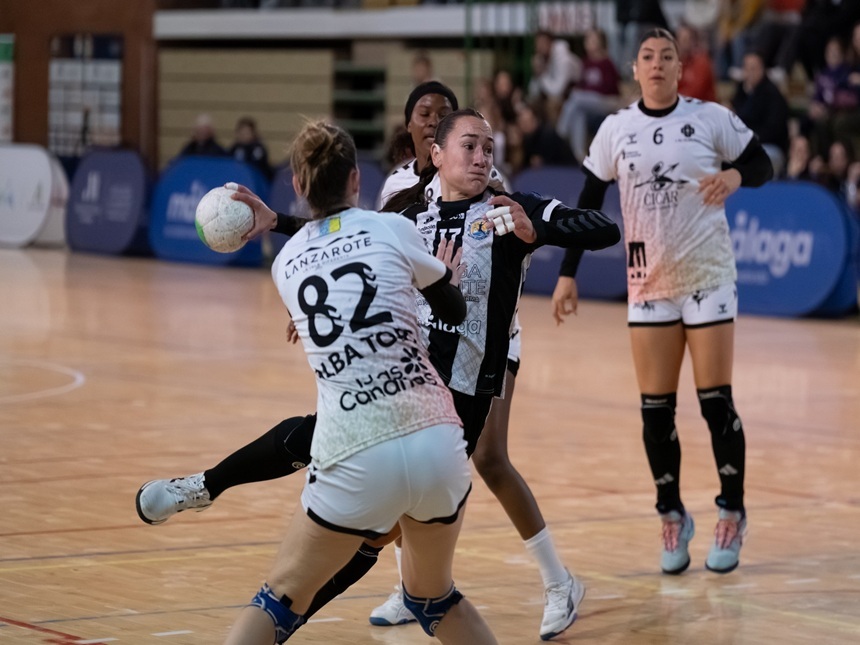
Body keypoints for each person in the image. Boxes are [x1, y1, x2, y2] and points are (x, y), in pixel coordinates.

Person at [137, 109, 621, 640]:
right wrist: (307, 270)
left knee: (369, 534)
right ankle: (209, 490)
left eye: (489, 148)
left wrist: (540, 228)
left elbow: (603, 228)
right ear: (436, 154)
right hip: (404, 381)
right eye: (470, 146)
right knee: (320, 442)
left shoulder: (511, 209)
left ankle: (279, 616)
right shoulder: (406, 212)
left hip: (457, 401)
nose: (482, 158)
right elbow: (345, 230)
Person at [220, 119, 494, 645]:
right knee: (434, 599)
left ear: (299, 186)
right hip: (437, 436)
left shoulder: (287, 262)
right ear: (355, 180)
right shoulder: (394, 229)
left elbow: (331, 244)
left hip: (355, 446)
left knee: (279, 599)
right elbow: (453, 311)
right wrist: (446, 280)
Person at [551, 28, 773, 576]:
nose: (656, 64)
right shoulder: (616, 129)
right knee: (656, 413)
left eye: (666, 56)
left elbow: (763, 164)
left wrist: (735, 173)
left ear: (680, 68)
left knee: (716, 402)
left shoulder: (711, 117)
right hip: (647, 282)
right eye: (647, 56)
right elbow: (587, 199)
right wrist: (568, 273)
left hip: (709, 276)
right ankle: (671, 515)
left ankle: (732, 512)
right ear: (634, 70)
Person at [557, 28, 622, 163]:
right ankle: (579, 155)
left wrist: (589, 92)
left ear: (600, 42)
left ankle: (559, 135)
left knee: (576, 98)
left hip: (607, 102)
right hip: (587, 104)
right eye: (587, 40)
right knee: (578, 112)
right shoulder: (586, 62)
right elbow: (582, 84)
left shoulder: (607, 63)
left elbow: (611, 88)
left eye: (592, 40)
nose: (587, 43)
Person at [730, 50, 790, 176]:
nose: (750, 73)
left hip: (768, 145)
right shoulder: (741, 92)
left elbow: (774, 131)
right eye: (747, 69)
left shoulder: (772, 95)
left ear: (762, 70)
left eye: (754, 69)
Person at [230, 116, 272, 180]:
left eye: (246, 133)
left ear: (253, 133)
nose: (244, 135)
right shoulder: (235, 148)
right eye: (241, 133)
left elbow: (259, 167)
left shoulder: (258, 149)